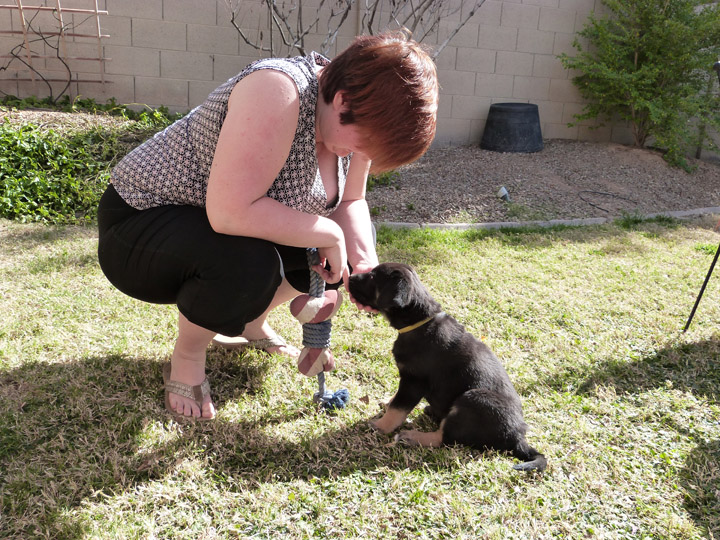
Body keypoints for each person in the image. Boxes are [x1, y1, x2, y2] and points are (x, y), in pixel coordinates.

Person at [97, 30, 439, 420]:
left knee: (333, 251)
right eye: (363, 146)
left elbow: (350, 200)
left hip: (213, 226)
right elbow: (229, 212)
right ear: (343, 99)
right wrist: (330, 234)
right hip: (140, 224)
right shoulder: (277, 89)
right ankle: (187, 356)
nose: (359, 157)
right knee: (253, 260)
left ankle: (250, 325)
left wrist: (363, 265)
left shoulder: (351, 121)